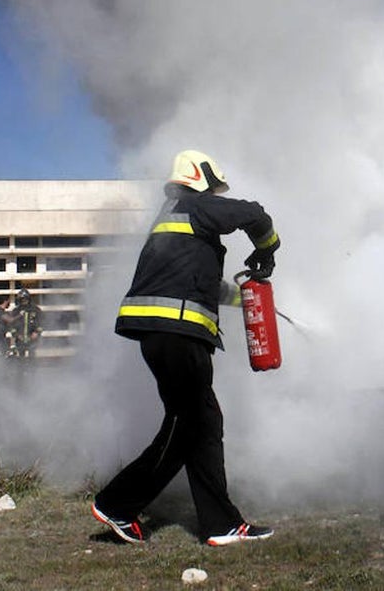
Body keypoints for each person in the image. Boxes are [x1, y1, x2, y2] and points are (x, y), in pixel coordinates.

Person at [92, 150, 280, 547]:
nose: (214, 195)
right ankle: (118, 503)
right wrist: (266, 250)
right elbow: (254, 214)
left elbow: (195, 282)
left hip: (162, 332)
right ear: (199, 181)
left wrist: (245, 297)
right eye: (212, 188)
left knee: (204, 423)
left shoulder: (171, 220)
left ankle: (220, 524)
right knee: (187, 423)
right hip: (177, 332)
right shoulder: (196, 207)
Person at [6, 288, 42, 358]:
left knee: (32, 357)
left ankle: (32, 368)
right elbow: (11, 325)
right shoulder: (15, 311)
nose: (24, 301)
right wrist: (16, 335)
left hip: (32, 339)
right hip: (20, 339)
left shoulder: (36, 310)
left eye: (25, 299)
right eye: (22, 299)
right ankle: (22, 368)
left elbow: (42, 322)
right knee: (20, 359)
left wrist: (37, 332)